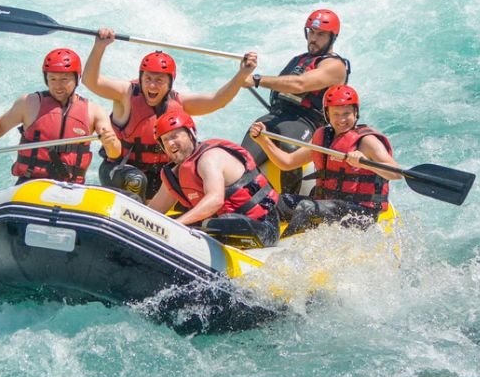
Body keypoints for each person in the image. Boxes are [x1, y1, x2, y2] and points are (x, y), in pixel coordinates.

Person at [83, 27, 257, 199]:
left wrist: (242, 74)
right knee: (136, 181)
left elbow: (217, 101)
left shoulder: (179, 103)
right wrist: (100, 46)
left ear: (169, 83)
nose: (152, 85)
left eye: (159, 80)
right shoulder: (125, 94)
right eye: (148, 79)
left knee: (195, 173)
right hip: (121, 170)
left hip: (159, 175)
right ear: (141, 78)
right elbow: (91, 81)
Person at [248, 85, 401, 235]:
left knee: (308, 208)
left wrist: (365, 161)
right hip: (326, 205)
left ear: (355, 113)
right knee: (272, 201)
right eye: (336, 114)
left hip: (360, 213)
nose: (341, 119)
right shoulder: (323, 138)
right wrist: (263, 140)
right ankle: (260, 236)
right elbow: (287, 163)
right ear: (327, 115)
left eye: (346, 113)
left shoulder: (367, 141)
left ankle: (284, 246)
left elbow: (396, 173)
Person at [0, 48, 120, 184]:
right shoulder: (29, 103)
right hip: (31, 182)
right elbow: (0, 126)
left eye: (64, 79)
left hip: (71, 188)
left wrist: (110, 143)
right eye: (52, 79)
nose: (58, 86)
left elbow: (114, 153)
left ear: (76, 79)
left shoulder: (94, 111)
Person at [240, 8, 350, 192]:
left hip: (306, 123)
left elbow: (300, 84)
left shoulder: (336, 66)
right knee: (241, 161)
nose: (313, 39)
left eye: (320, 34)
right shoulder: (299, 59)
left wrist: (257, 79)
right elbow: (281, 84)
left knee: (289, 146)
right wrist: (245, 72)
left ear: (333, 37)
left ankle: (288, 208)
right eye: (311, 32)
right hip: (275, 116)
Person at [147, 111, 281, 248]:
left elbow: (215, 200)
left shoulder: (209, 158)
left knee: (215, 224)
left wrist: (178, 225)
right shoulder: (174, 175)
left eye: (175, 136)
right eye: (165, 140)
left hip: (263, 226)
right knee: (162, 223)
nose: (170, 143)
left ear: (191, 133)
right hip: (221, 222)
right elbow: (153, 212)